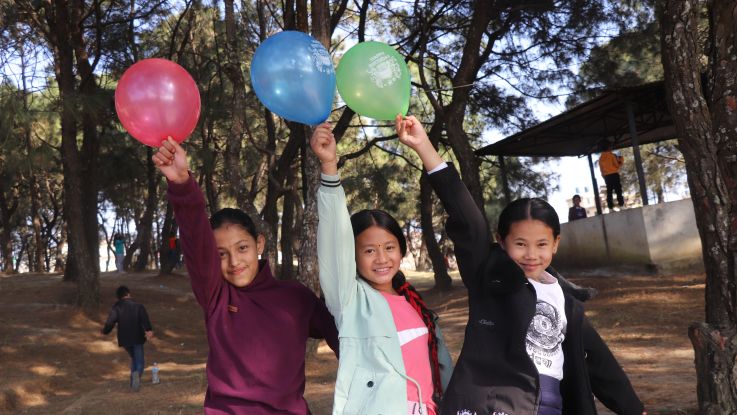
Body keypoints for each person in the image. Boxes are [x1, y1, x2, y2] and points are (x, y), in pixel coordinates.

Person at [396, 115, 646, 415]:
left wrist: (634, 409)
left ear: (555, 243)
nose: (531, 254)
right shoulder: (489, 276)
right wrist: (425, 148)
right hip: (493, 405)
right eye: (520, 244)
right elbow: (468, 221)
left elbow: (597, 360)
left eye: (542, 244)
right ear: (501, 242)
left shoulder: (567, 301)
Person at [152, 137, 339, 415]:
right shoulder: (216, 296)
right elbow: (196, 242)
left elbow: (345, 336)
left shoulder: (295, 296)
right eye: (221, 254)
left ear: (259, 244)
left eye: (242, 248)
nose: (234, 261)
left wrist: (330, 166)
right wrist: (181, 183)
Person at [310, 123, 453, 415]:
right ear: (353, 256)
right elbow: (334, 239)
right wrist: (329, 167)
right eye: (368, 250)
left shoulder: (413, 302)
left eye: (389, 248)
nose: (381, 258)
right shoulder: (350, 300)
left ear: (401, 250)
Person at [101, 285, 153, 392]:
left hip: (124, 339)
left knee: (134, 358)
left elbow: (110, 322)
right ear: (128, 294)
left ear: (119, 297)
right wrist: (148, 330)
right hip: (137, 337)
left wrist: (105, 331)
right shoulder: (138, 306)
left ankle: (133, 381)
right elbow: (145, 320)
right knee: (139, 361)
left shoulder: (116, 307)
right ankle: (136, 377)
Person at [599, 142, 625, 211]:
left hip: (607, 176)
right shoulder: (611, 155)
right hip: (614, 174)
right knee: (618, 190)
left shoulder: (601, 158)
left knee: (609, 191)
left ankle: (610, 207)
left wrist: (604, 177)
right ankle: (621, 205)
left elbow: (601, 170)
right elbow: (617, 165)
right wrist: (621, 160)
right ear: (608, 147)